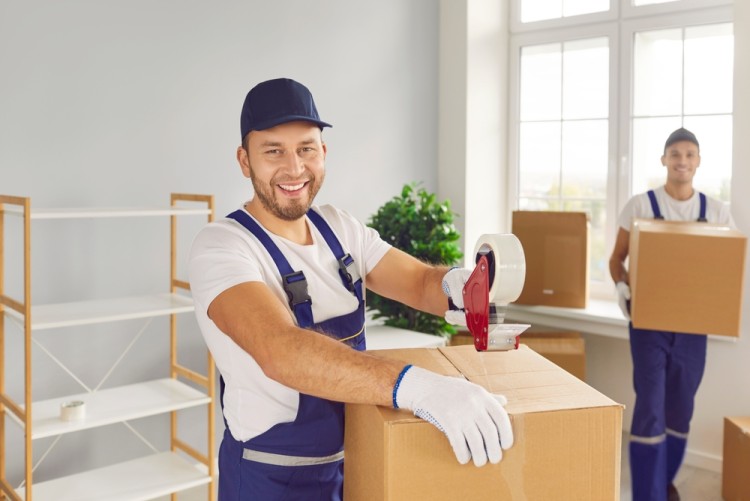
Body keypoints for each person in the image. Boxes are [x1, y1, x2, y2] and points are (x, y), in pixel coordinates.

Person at [188, 77, 513, 500]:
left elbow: (417, 282)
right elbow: (279, 349)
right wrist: (422, 388)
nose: (293, 168)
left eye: (306, 148)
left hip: (353, 465)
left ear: (323, 152)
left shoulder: (338, 228)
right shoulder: (222, 246)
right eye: (273, 151)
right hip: (268, 481)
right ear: (244, 160)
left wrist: (463, 286)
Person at [609, 127, 735, 501]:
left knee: (681, 408)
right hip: (648, 325)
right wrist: (621, 286)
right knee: (649, 407)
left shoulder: (717, 212)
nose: (682, 161)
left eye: (690, 155)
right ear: (664, 160)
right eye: (675, 154)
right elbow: (617, 257)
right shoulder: (641, 205)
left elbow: (728, 266)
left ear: (698, 162)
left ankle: (662, 484)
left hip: (693, 328)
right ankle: (647, 496)